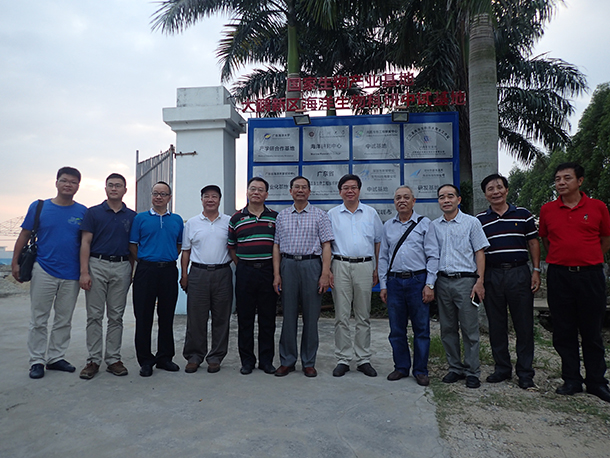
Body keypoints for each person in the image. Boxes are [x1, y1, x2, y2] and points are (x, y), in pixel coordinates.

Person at [539, 162, 610, 403]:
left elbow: (605, 239)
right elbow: (546, 241)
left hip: (590, 276)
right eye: (558, 179)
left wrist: (586, 258)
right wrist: (564, 258)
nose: (561, 183)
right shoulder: (548, 210)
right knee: (563, 330)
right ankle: (571, 379)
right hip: (559, 276)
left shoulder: (597, 207)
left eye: (567, 178)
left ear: (580, 181)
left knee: (592, 331)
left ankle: (597, 382)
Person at [12, 166, 87, 379]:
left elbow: (86, 242)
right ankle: (36, 360)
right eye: (64, 180)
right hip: (43, 269)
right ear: (56, 183)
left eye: (73, 182)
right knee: (39, 318)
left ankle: (56, 357)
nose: (68, 185)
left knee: (64, 319)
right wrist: (15, 262)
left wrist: (84, 271)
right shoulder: (39, 207)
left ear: (78, 186)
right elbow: (24, 235)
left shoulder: (82, 212)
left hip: (71, 273)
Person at [476, 173, 540, 389]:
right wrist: (480, 279)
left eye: (499, 187)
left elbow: (533, 243)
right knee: (496, 324)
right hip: (492, 275)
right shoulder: (479, 220)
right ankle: (502, 368)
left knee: (524, 324)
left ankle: (525, 372)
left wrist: (536, 270)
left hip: (519, 273)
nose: (496, 192)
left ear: (506, 190)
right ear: (485, 195)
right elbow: (478, 251)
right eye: (490, 189)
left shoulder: (523, 215)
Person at [273, 176, 334, 378]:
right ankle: (287, 361)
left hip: (311, 265)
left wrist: (325, 273)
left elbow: (326, 245)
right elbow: (276, 246)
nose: (300, 190)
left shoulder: (320, 215)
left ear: (309, 191)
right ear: (290, 191)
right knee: (288, 316)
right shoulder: (282, 216)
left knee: (311, 316)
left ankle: (309, 362)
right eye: (296, 187)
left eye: (304, 187)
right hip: (288, 265)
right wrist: (277, 274)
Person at [429, 184, 489, 389]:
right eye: (441, 197)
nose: (446, 200)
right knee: (447, 328)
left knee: (469, 329)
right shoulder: (434, 226)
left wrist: (479, 281)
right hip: (443, 281)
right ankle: (454, 368)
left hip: (466, 282)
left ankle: (472, 371)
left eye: (450, 196)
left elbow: (480, 252)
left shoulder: (471, 223)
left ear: (458, 199)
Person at [378, 186, 439, 386]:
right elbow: (383, 257)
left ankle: (420, 370)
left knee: (421, 329)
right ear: (394, 202)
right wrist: (384, 285)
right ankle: (401, 367)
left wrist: (430, 284)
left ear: (414, 201)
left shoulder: (425, 224)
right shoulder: (388, 226)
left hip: (418, 281)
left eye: (406, 197)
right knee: (396, 329)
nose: (402, 201)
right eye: (398, 198)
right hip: (394, 282)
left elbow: (433, 256)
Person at [78, 173, 136, 380]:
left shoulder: (132, 216)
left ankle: (113, 359)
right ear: (105, 189)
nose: (114, 188)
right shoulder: (93, 213)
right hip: (97, 264)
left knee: (116, 316)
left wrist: (131, 271)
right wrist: (84, 272)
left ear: (125, 190)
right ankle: (93, 360)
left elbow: (133, 247)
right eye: (110, 185)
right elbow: (85, 242)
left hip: (122, 266)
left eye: (118, 185)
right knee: (94, 315)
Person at [327, 174, 383, 378]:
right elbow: (326, 244)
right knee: (341, 316)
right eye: (345, 188)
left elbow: (378, 242)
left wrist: (377, 269)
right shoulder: (332, 214)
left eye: (353, 187)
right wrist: (328, 270)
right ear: (340, 191)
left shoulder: (370, 213)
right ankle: (343, 358)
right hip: (340, 265)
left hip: (365, 266)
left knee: (363, 315)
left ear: (359, 190)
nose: (349, 191)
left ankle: (363, 359)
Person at [129, 181, 183, 377]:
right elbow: (133, 245)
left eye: (163, 194)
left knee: (167, 316)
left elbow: (178, 245)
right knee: (143, 317)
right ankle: (145, 360)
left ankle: (164, 358)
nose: (159, 197)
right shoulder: (140, 218)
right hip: (146, 271)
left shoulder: (176, 220)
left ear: (169, 198)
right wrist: (147, 260)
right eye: (155, 193)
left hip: (168, 271)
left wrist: (166, 257)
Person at [228, 177, 278, 375]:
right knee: (245, 318)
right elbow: (232, 247)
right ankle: (247, 361)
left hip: (268, 271)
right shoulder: (236, 218)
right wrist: (243, 265)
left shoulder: (274, 217)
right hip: (245, 271)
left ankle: (266, 361)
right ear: (247, 192)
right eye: (252, 189)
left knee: (268, 319)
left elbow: (278, 246)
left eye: (260, 190)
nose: (256, 192)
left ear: (266, 194)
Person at [181, 185, 233, 374]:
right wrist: (184, 275)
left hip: (222, 273)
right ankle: (194, 356)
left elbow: (233, 248)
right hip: (198, 273)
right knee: (196, 318)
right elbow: (186, 251)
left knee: (221, 318)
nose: (210, 200)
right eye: (206, 196)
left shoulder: (229, 221)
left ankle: (216, 357)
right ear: (201, 199)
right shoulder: (192, 223)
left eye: (214, 196)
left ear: (219, 199)